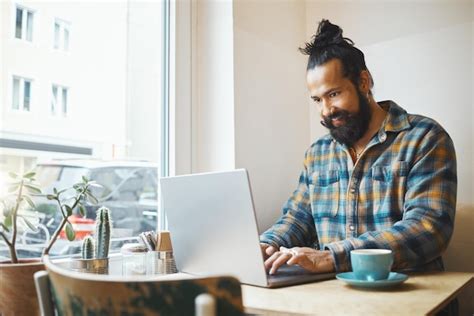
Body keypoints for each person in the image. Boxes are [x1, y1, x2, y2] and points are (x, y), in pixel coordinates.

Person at [260, 19, 457, 276]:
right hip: (334, 298)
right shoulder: (317, 154)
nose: (326, 111)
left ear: (363, 82)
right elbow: (297, 218)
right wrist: (267, 244)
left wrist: (333, 257)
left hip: (409, 297)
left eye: (333, 94)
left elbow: (429, 228)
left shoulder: (425, 138)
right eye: (317, 99)